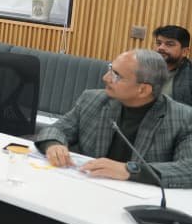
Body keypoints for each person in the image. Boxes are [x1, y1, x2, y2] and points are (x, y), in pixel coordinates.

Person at [35, 49, 192, 188]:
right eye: (110, 69)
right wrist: (53, 144)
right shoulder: (92, 100)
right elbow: (55, 130)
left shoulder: (183, 118)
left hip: (140, 200)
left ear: (143, 90)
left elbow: (188, 169)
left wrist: (129, 170)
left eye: (116, 75)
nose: (105, 78)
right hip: (87, 187)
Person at [153, 25, 192, 105]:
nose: (161, 48)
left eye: (169, 44)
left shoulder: (189, 75)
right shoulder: (145, 68)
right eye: (159, 43)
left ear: (184, 51)